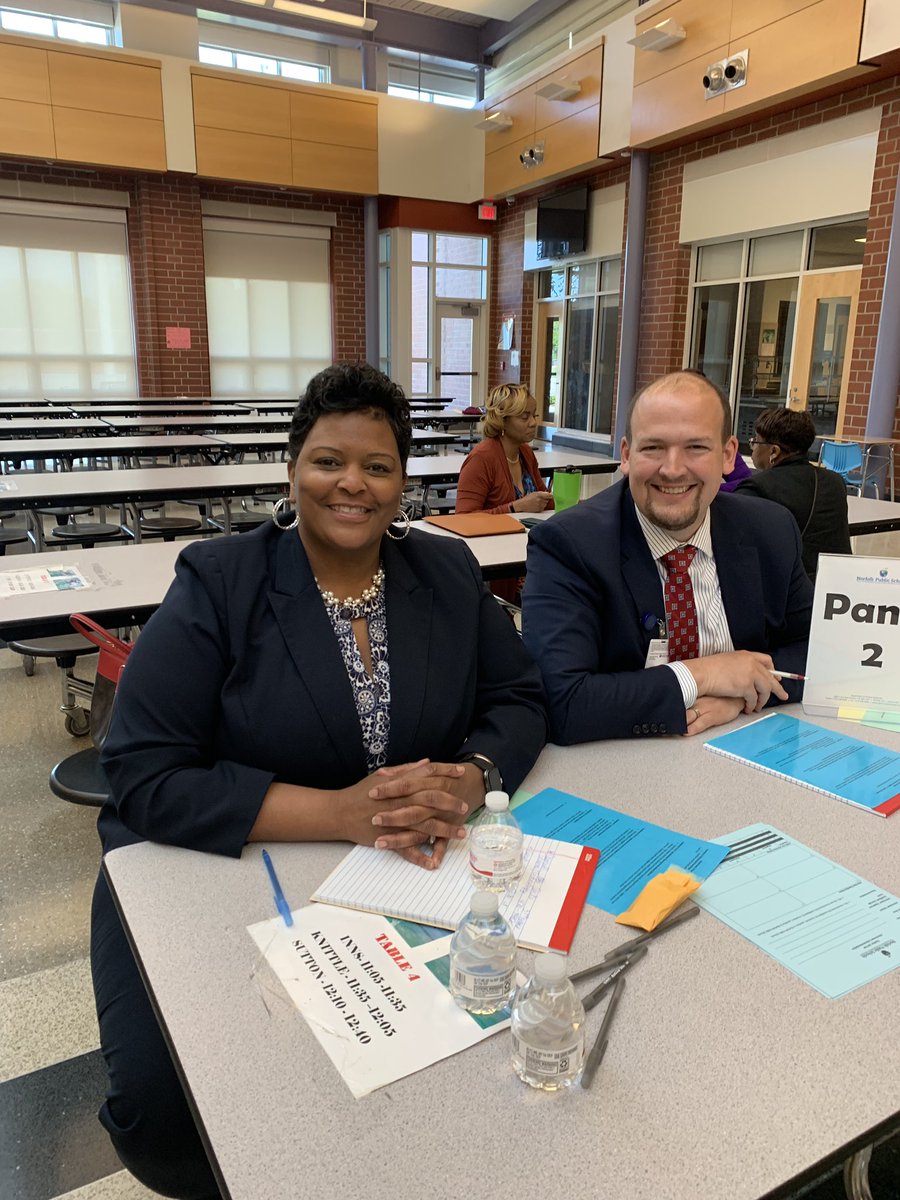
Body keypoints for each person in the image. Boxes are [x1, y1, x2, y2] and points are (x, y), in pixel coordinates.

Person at [91, 363, 548, 1199]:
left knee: (450, 1058)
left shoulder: (446, 571)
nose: (352, 484)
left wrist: (473, 777)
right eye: (328, 461)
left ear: (403, 483)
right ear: (292, 467)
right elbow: (142, 772)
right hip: (211, 860)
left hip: (400, 872)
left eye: (377, 466)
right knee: (173, 1113)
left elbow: (519, 697)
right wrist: (339, 813)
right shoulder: (220, 582)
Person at [522, 370, 813, 745]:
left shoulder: (770, 529)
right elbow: (562, 701)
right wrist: (705, 675)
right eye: (653, 448)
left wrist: (742, 695)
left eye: (696, 447)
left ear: (728, 455)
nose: (673, 469)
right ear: (626, 455)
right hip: (626, 761)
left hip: (746, 743)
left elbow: (817, 653)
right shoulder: (569, 544)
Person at [737, 406, 851, 581]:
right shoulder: (835, 481)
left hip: (789, 588)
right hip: (836, 585)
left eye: (756, 441)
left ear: (773, 452)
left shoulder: (757, 488)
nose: (752, 447)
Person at [455, 384, 554, 516]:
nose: (533, 423)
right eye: (525, 417)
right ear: (502, 421)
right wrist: (514, 507)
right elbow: (463, 517)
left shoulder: (525, 452)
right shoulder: (481, 459)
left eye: (534, 415)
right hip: (493, 530)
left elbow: (546, 501)